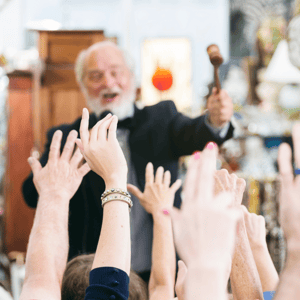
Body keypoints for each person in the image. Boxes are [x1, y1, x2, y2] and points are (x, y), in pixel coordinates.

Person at [22, 40, 235, 277]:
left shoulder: (162, 118)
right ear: (83, 85)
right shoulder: (69, 137)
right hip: (94, 277)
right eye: (96, 76)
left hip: (161, 270)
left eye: (116, 72)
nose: (108, 82)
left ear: (132, 77)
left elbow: (198, 132)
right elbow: (31, 194)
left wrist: (216, 121)